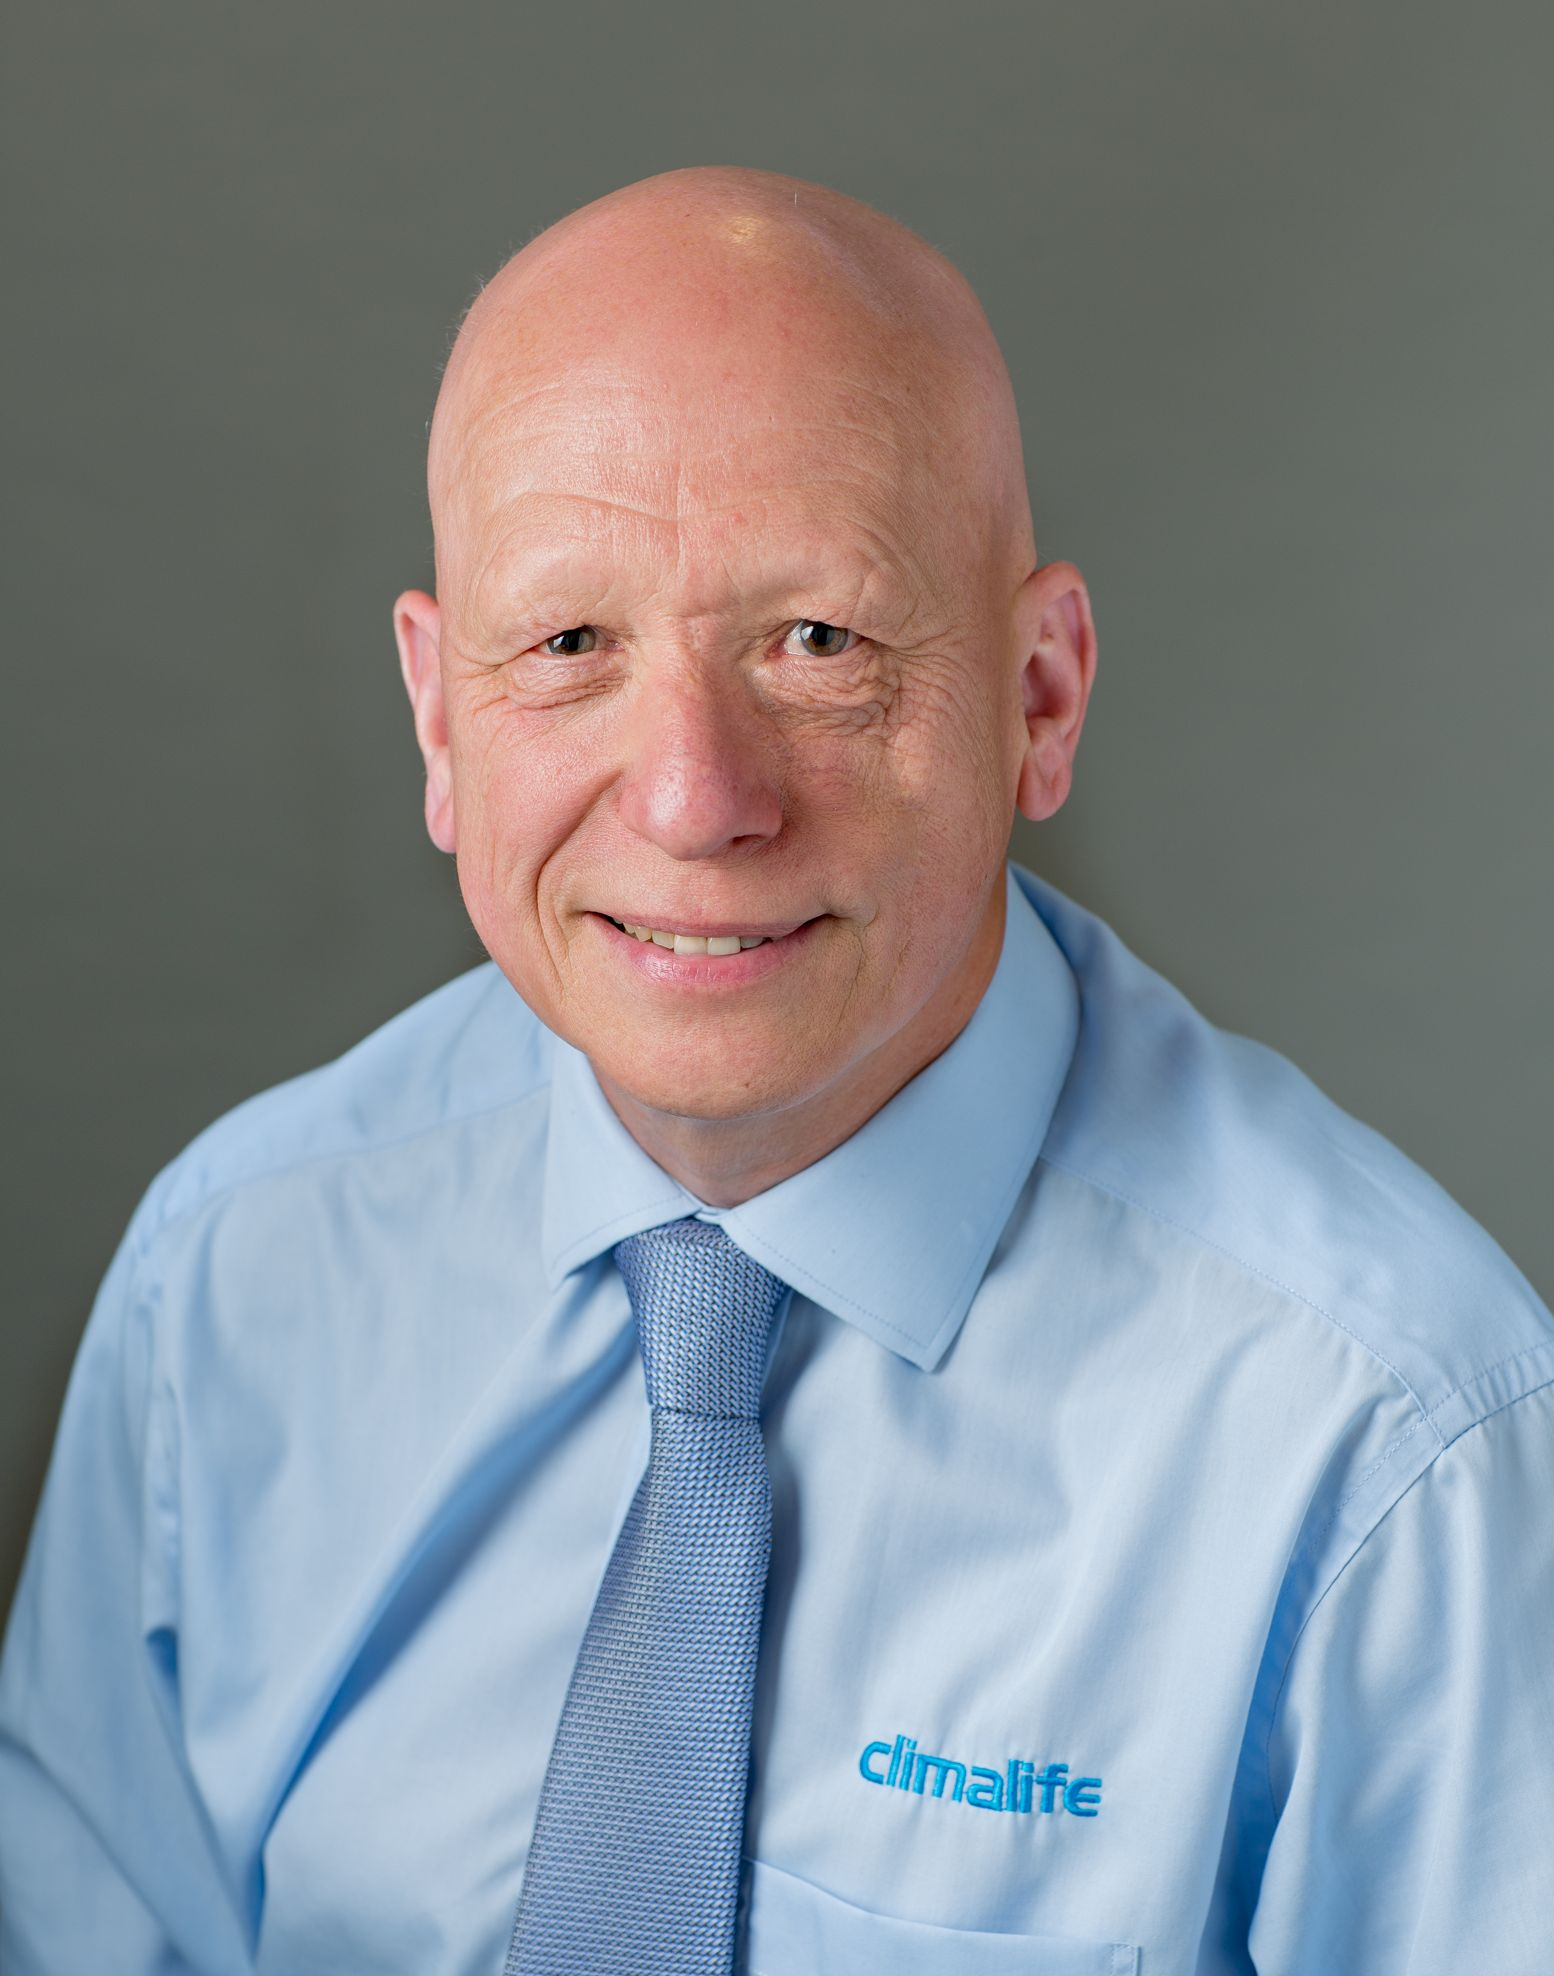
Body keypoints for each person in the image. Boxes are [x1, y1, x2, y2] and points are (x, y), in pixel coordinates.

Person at [0, 164, 1549, 1975]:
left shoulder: (1392, 1453)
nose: (692, 800)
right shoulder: (230, 1282)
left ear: (1039, 697)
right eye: (567, 645)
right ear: (437, 718)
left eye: (820, 642)